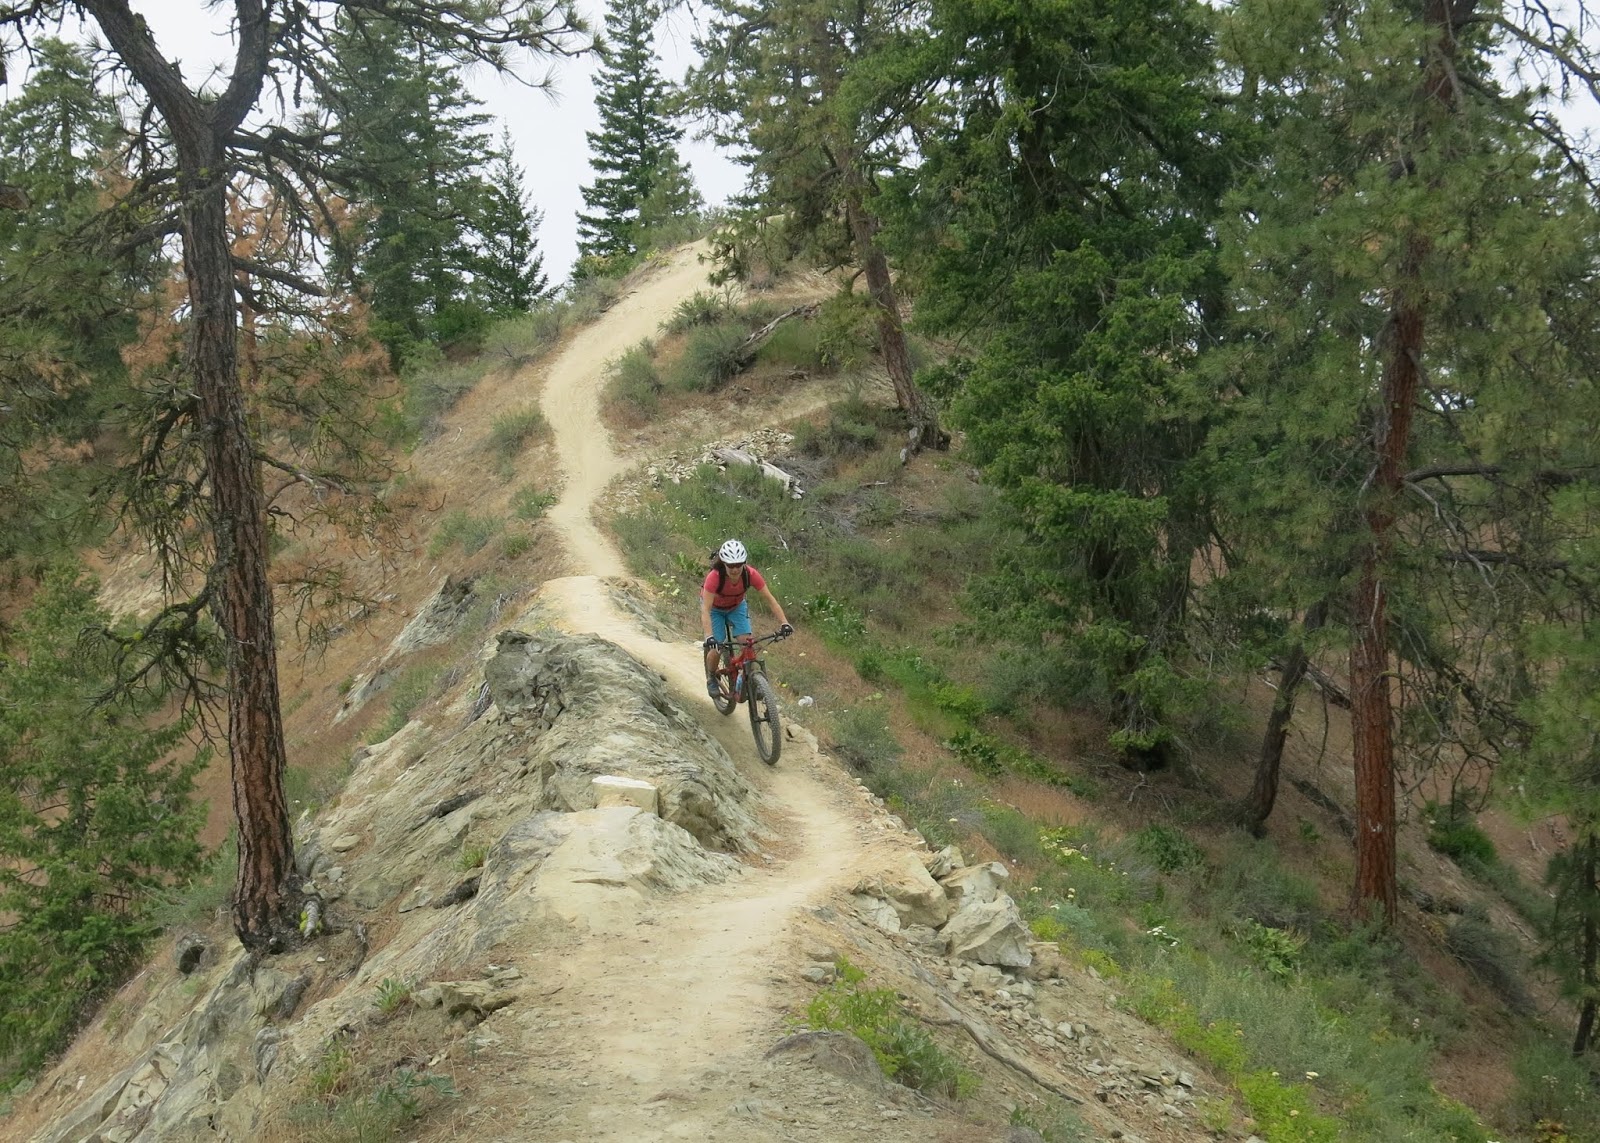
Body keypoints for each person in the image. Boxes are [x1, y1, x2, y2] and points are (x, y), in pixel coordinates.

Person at [702, 538, 792, 699]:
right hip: (715, 610)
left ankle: (753, 682)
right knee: (717, 646)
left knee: (747, 643)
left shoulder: (750, 575)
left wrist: (784, 623)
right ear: (723, 563)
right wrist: (709, 636)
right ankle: (711, 678)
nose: (735, 569)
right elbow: (706, 609)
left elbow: (770, 600)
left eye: (739, 564)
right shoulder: (714, 577)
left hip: (736, 607)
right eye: (730, 565)